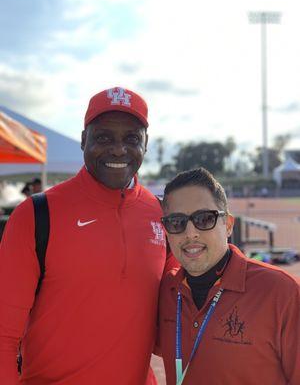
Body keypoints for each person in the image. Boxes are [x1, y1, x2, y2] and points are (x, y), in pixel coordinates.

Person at [0, 87, 175, 384]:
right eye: (104, 137)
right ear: (83, 141)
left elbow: (174, 323)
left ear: (145, 145)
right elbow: (3, 334)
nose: (118, 149)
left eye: (131, 138)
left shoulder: (164, 216)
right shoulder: (36, 213)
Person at [158, 167, 300, 385]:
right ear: (166, 231)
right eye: (177, 222)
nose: (191, 233)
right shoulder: (165, 290)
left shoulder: (283, 292)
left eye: (204, 219)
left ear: (228, 225)